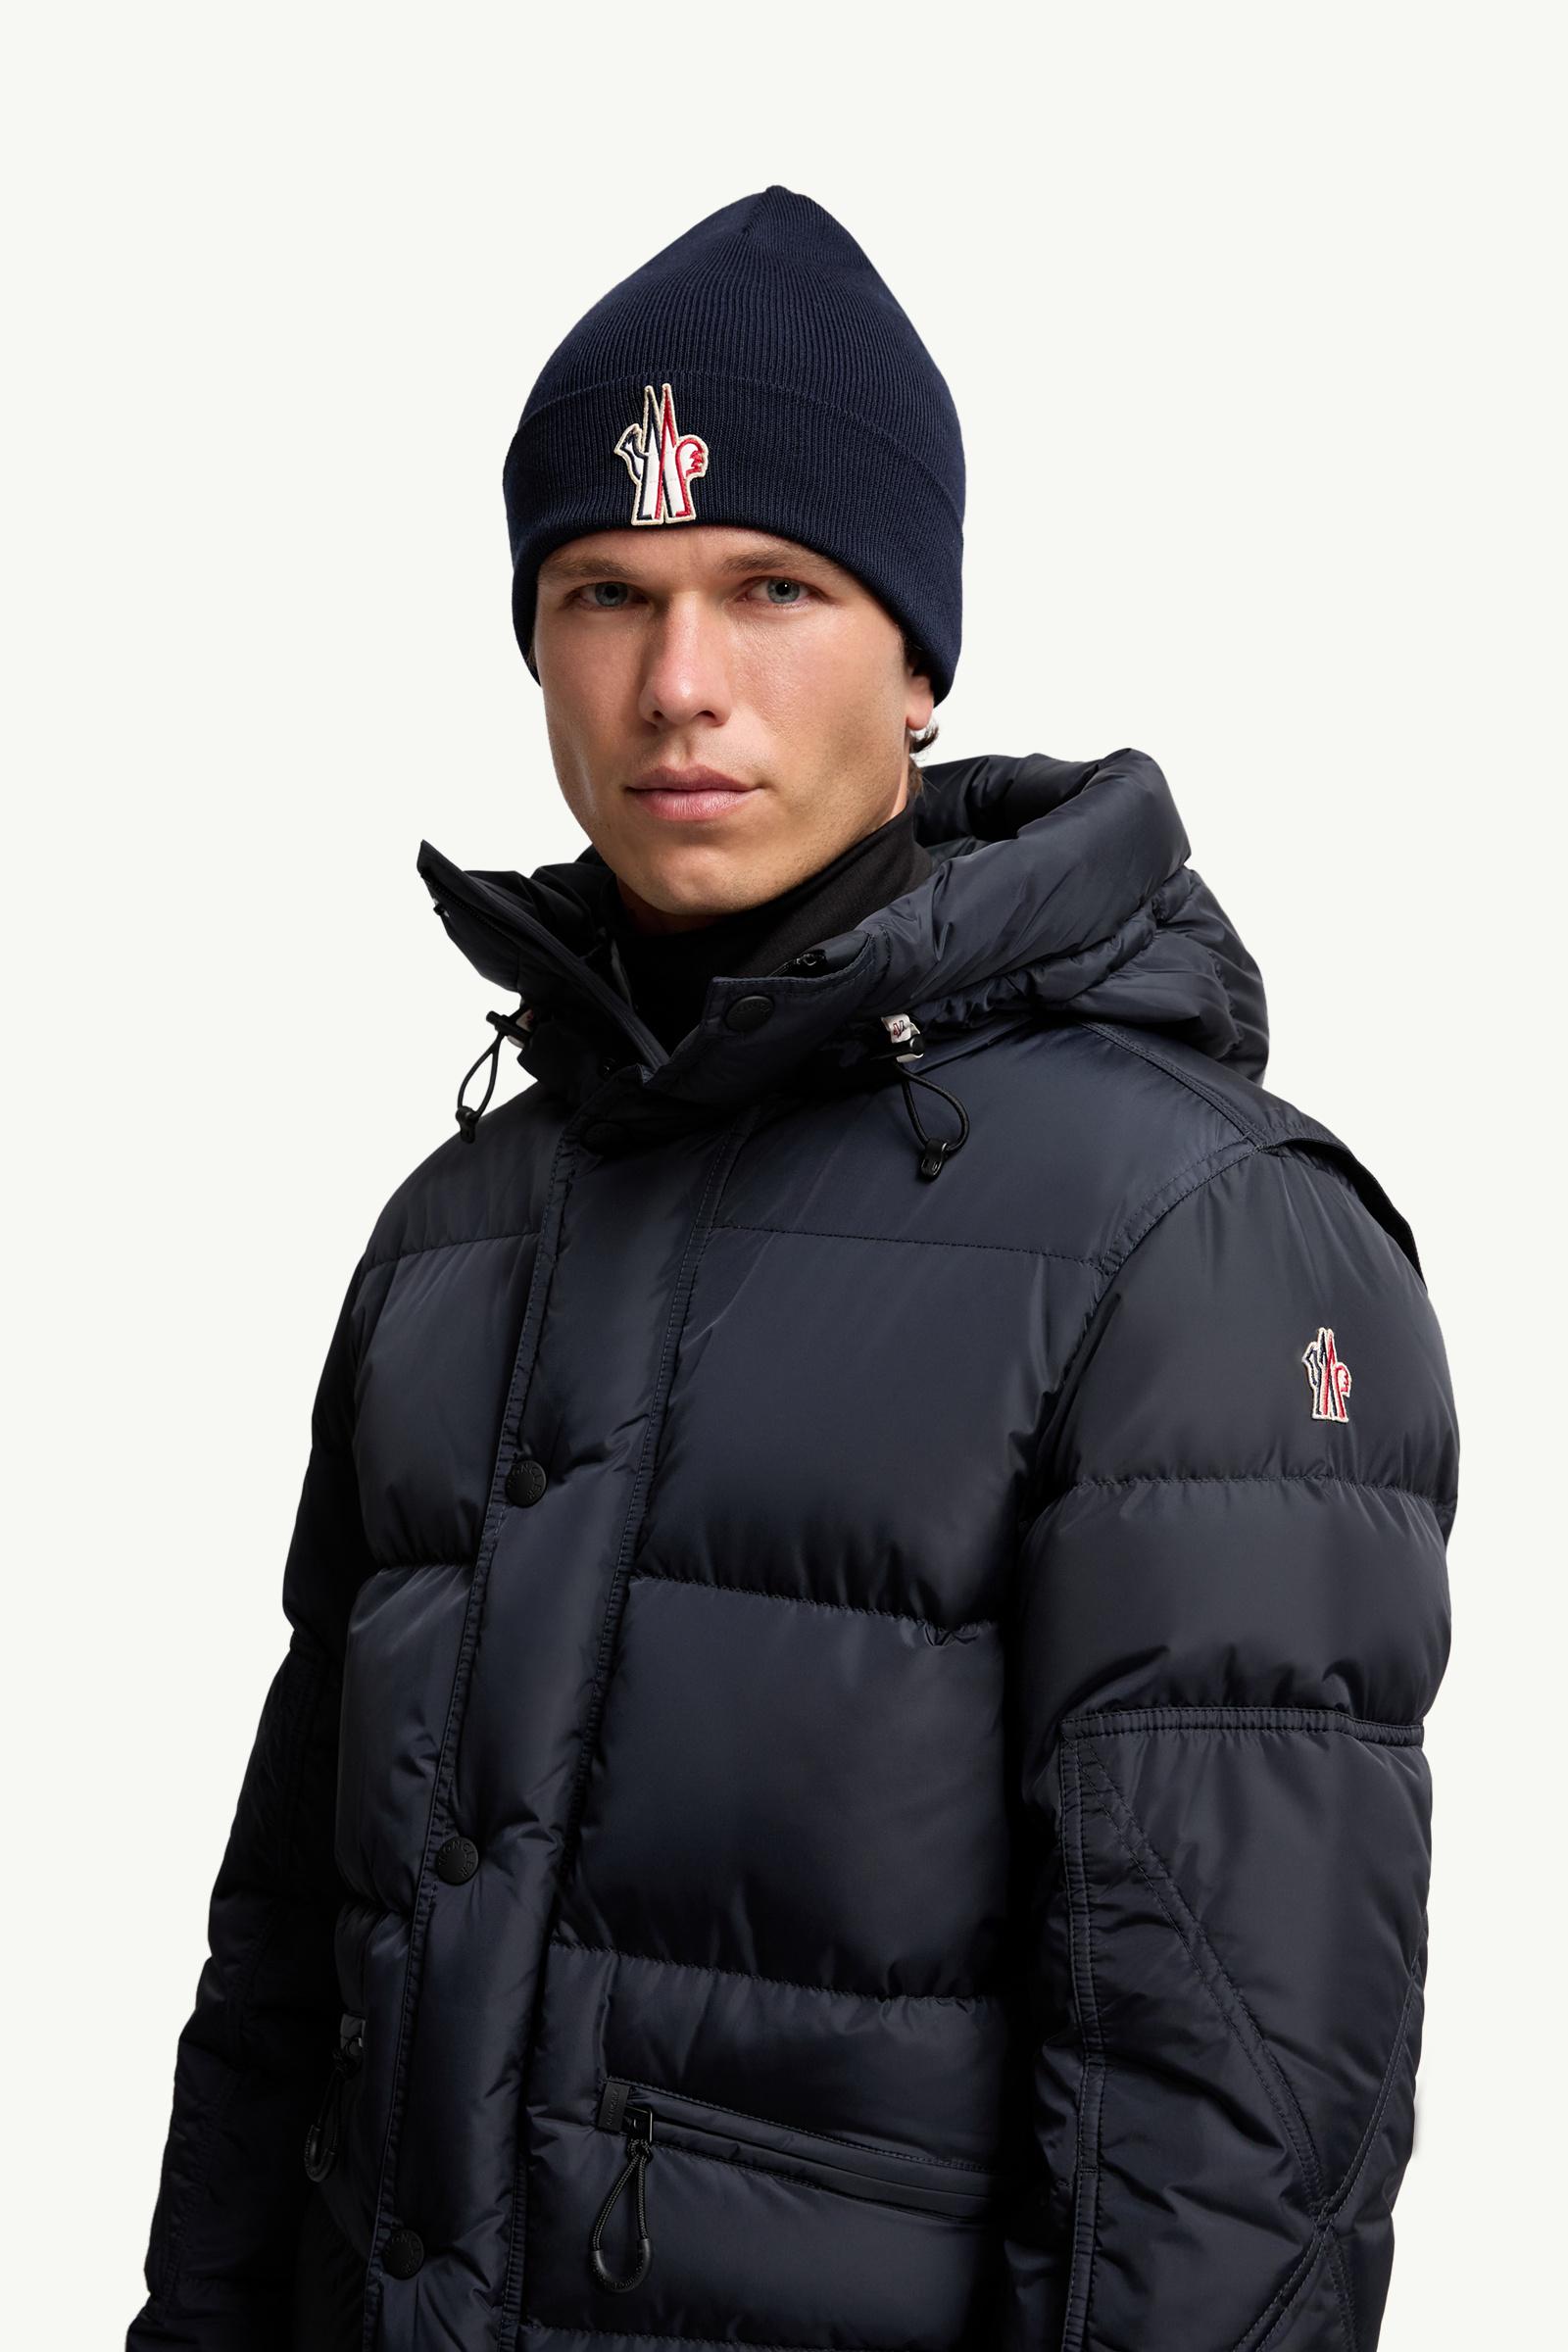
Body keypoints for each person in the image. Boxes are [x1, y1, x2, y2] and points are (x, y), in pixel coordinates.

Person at [127, 184, 1458, 2352]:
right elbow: (287, 1977)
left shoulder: (1196, 1239)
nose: (678, 686)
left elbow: (1228, 2161)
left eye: (771, 589)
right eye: (604, 594)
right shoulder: (457, 1236)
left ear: (916, 658)